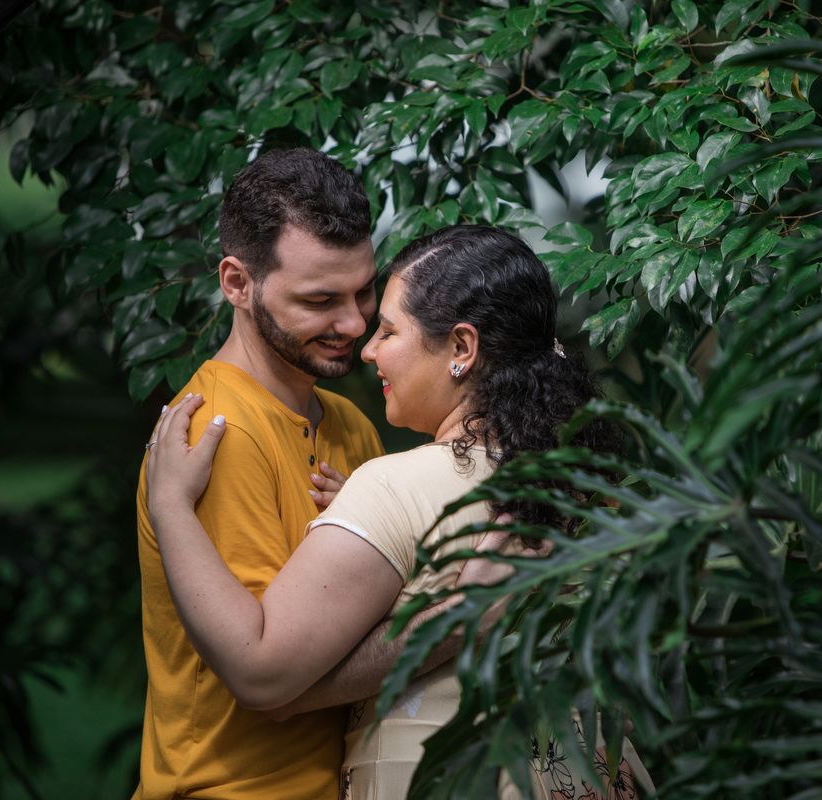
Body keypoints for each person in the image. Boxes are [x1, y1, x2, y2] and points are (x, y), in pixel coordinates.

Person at [145, 225, 654, 799]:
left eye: (388, 330)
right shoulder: (584, 486)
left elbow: (266, 679)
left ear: (461, 349)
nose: (366, 346)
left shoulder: (395, 486)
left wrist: (170, 505)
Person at [134, 150, 492, 800]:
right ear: (238, 284)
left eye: (363, 292)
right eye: (320, 300)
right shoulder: (218, 432)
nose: (354, 325)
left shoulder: (349, 423)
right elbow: (268, 677)